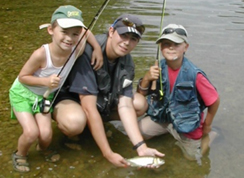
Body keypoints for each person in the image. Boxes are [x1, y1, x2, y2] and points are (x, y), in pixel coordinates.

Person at [53, 14, 165, 168]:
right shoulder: (89, 51)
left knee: (139, 103)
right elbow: (88, 107)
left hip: (101, 102)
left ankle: (97, 127)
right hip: (72, 100)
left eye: (133, 39)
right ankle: (76, 134)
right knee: (74, 122)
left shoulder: (128, 62)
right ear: (111, 31)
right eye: (123, 35)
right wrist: (108, 153)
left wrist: (141, 146)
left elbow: (125, 105)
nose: (127, 43)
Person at [9, 5, 103, 173]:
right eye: (64, 32)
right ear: (51, 30)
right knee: (31, 132)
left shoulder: (77, 49)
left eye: (75, 34)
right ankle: (20, 154)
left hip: (44, 98)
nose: (69, 38)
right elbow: (23, 77)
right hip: (23, 94)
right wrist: (45, 81)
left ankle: (42, 149)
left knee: (45, 135)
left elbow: (86, 31)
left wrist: (96, 48)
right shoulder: (41, 54)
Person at [137, 24, 220, 161]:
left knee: (193, 158)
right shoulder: (158, 67)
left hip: (187, 124)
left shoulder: (195, 75)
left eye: (176, 44)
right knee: (137, 133)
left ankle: (212, 134)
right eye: (166, 43)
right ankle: (169, 132)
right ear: (161, 47)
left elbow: (215, 100)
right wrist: (147, 78)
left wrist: (208, 125)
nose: (171, 47)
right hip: (164, 117)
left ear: (185, 47)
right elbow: (140, 94)